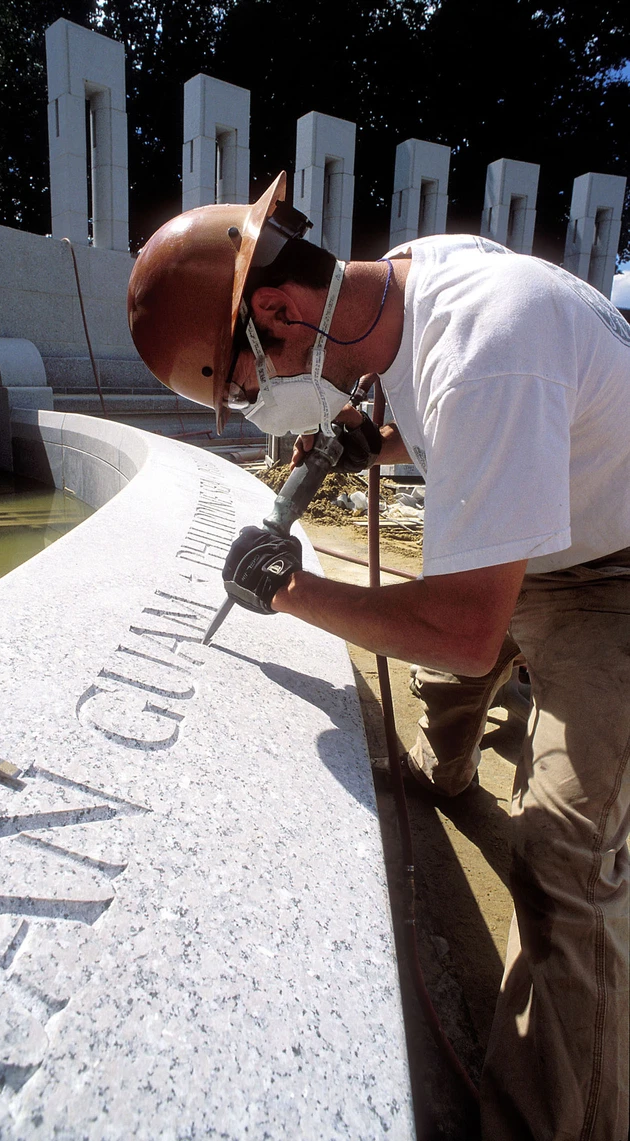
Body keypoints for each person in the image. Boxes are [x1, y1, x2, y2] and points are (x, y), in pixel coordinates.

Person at [127, 172, 630, 1141]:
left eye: (246, 388)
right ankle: (445, 777)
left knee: (565, 853)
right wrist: (372, 437)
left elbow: (466, 624)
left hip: (615, 573)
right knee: (446, 693)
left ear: (275, 312)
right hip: (552, 516)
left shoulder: (484, 350)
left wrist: (291, 589)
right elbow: (449, 417)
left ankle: (545, 1122)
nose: (261, 405)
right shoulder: (406, 282)